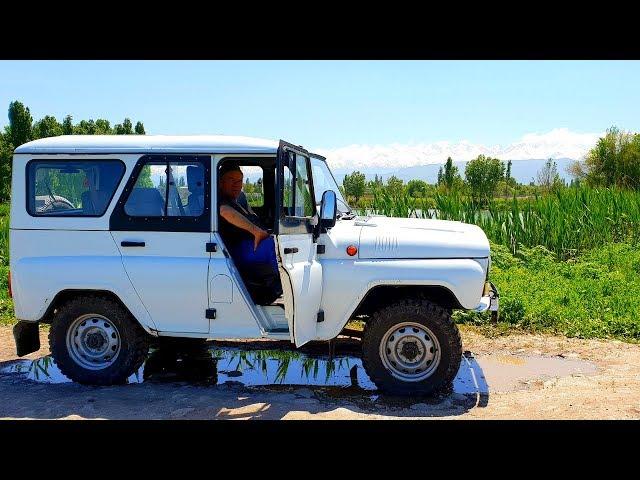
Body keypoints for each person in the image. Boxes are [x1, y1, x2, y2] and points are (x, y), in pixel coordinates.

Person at [218, 163, 282, 304]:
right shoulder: (219, 200)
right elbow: (224, 212)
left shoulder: (238, 200)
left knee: (280, 242)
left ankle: (278, 288)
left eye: (240, 181)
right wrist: (256, 232)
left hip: (251, 245)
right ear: (221, 182)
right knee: (275, 247)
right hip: (237, 249)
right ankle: (287, 289)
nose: (237, 184)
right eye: (231, 180)